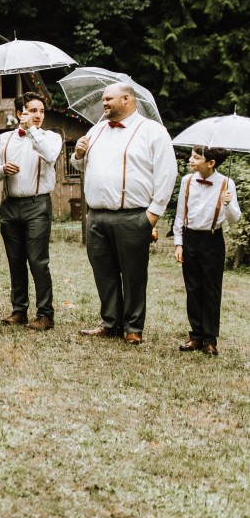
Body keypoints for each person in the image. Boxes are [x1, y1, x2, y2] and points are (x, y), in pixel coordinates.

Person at [73, 83, 177, 344]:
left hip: (133, 216)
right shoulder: (95, 130)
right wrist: (78, 153)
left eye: (109, 99)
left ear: (127, 99)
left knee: (133, 275)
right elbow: (81, 164)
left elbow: (167, 174)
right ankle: (110, 322)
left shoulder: (153, 132)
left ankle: (133, 328)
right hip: (96, 216)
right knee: (103, 272)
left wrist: (152, 215)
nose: (104, 104)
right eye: (103, 100)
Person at [0, 92, 62, 330]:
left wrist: (31, 130)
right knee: (15, 260)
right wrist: (2, 169)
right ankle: (19, 310)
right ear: (19, 113)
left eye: (41, 110)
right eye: (32, 110)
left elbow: (50, 156)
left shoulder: (51, 137)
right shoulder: (5, 139)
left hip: (37, 205)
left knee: (38, 261)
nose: (38, 115)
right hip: (10, 205)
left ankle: (45, 315)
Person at [173, 145, 241, 356]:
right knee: (193, 288)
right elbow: (179, 213)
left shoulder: (226, 183)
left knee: (211, 289)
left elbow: (235, 218)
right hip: (190, 237)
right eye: (192, 157)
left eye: (196, 158)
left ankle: (210, 339)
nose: (191, 161)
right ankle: (195, 336)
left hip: (212, 240)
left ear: (211, 163)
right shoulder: (187, 181)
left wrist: (228, 204)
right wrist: (178, 242)